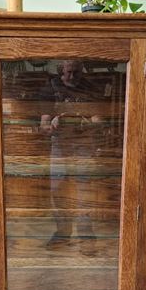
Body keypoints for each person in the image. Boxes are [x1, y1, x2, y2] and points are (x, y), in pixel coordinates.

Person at [40, 60, 104, 254]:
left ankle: (86, 237)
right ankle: (63, 233)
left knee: (84, 191)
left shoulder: (91, 89)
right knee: (58, 191)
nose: (72, 76)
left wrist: (86, 123)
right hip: (59, 145)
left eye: (76, 72)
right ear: (61, 71)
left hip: (85, 146)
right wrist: (52, 123)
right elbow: (43, 127)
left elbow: (99, 120)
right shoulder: (50, 90)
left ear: (82, 71)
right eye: (69, 72)